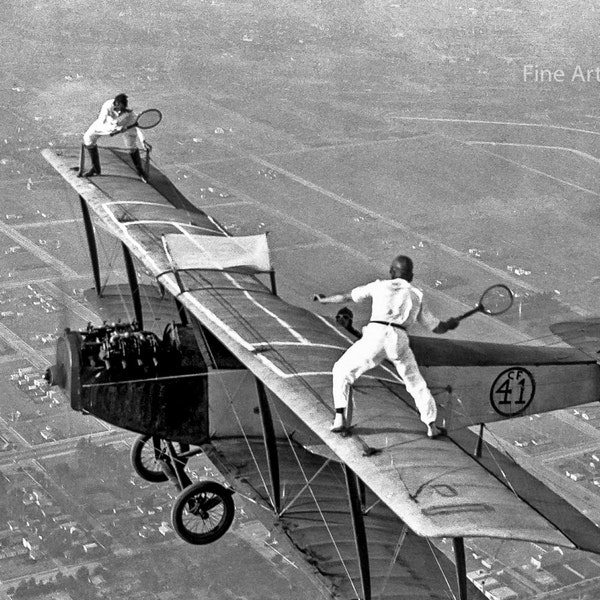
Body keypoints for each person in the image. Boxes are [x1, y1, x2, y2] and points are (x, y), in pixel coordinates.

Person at [314, 255, 459, 438]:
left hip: (376, 334)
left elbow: (346, 297)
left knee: (341, 370)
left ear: (392, 272)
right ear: (411, 275)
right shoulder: (417, 294)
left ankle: (339, 418)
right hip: (399, 339)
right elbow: (436, 327)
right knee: (416, 384)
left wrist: (324, 300)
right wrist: (450, 324)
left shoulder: (379, 285)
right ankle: (432, 426)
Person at [82, 93, 151, 182]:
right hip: (107, 125)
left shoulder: (129, 112)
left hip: (127, 125)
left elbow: (138, 126)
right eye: (119, 108)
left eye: (122, 109)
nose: (120, 111)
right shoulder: (107, 105)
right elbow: (101, 122)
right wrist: (115, 128)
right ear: (116, 104)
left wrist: (143, 141)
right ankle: (95, 168)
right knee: (88, 138)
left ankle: (141, 172)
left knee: (131, 147)